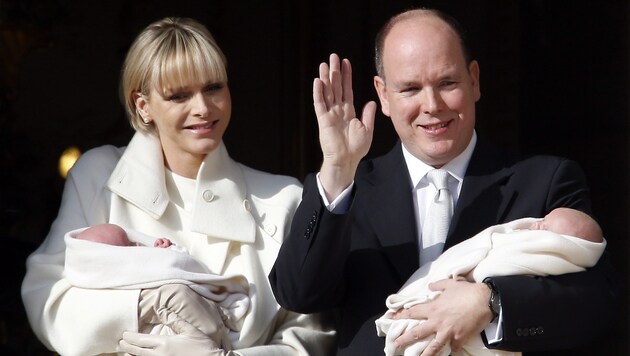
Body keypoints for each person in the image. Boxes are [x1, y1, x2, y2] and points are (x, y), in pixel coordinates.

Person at [269, 7, 619, 356]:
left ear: (475, 80)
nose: (432, 105)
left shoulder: (545, 180)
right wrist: (337, 168)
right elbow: (299, 294)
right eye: (410, 89)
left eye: (447, 83)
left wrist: (491, 301)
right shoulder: (349, 188)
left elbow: (596, 302)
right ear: (384, 94)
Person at [21, 17, 334, 356]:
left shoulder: (284, 199)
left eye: (213, 87)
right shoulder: (98, 177)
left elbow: (311, 336)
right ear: (143, 106)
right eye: (179, 95)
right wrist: (147, 303)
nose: (202, 108)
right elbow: (48, 296)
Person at [376, 208, 606, 356]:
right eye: (542, 220)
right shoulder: (356, 181)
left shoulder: (552, 177)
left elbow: (593, 295)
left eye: (545, 226)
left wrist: (488, 297)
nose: (536, 225)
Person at [69, 223, 250, 350]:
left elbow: (183, 266)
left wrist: (170, 252)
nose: (138, 244)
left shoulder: (151, 259)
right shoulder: (114, 284)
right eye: (129, 245)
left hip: (215, 321)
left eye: (133, 241)